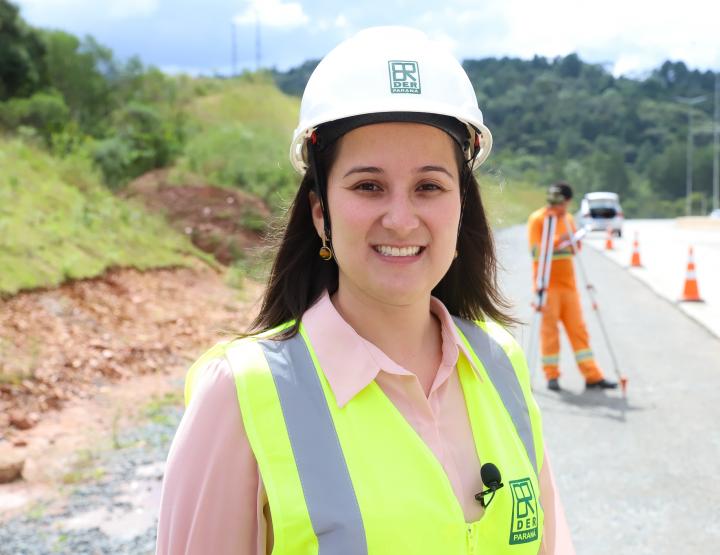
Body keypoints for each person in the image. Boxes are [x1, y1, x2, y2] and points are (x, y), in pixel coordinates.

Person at [156, 27, 574, 554]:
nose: (401, 220)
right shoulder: (242, 395)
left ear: (461, 205)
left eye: (429, 186)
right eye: (367, 186)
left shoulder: (499, 361)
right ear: (319, 211)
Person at [527, 183, 617, 392]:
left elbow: (574, 249)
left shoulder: (567, 219)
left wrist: (574, 241)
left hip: (569, 287)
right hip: (547, 287)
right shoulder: (539, 220)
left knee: (579, 331)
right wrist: (560, 240)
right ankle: (552, 375)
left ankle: (592, 375)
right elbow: (535, 252)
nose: (563, 208)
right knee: (549, 333)